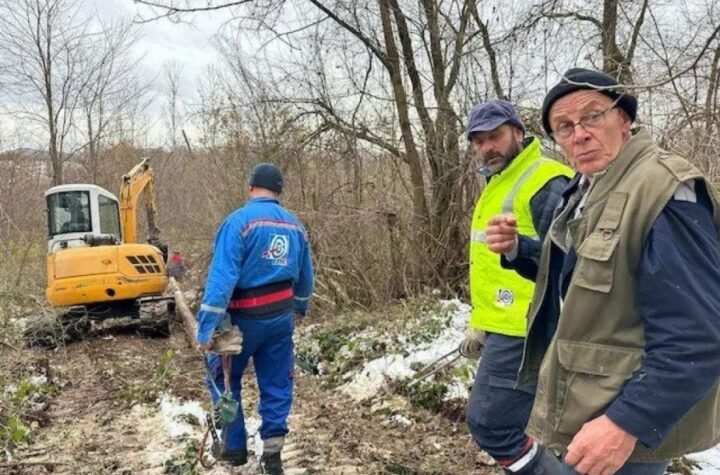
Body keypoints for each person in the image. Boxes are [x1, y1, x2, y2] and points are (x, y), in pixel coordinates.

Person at [485, 68, 720, 474]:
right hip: (594, 399)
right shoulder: (589, 187)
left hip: (627, 417)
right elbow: (580, 275)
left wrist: (625, 423)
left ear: (624, 118)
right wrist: (519, 251)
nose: (580, 134)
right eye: (564, 127)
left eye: (593, 116)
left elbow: (698, 336)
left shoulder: (663, 191)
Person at [461, 99, 573, 473]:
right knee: (535, 426)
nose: (487, 147)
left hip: (527, 328)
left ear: (518, 133)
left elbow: (573, 261)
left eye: (495, 136)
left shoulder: (545, 180)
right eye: (479, 140)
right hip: (503, 325)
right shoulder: (497, 182)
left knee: (491, 424)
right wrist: (481, 322)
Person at [196, 163, 314, 475]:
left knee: (224, 377)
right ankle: (272, 456)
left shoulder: (238, 223)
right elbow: (305, 279)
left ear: (251, 188)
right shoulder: (295, 226)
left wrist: (207, 326)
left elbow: (222, 280)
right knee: (277, 382)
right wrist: (300, 309)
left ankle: (233, 447)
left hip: (242, 320)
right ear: (278, 191)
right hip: (280, 318)